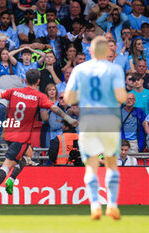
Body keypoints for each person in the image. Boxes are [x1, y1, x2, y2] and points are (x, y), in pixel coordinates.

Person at [0, 69, 77, 207]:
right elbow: (55, 109)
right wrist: (68, 119)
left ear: (25, 80)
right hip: (21, 138)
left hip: (10, 134)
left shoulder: (13, 92)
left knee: (29, 155)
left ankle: (11, 179)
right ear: (38, 81)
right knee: (7, 165)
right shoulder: (39, 96)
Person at [64, 36, 127, 220]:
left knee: (91, 166)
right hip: (109, 120)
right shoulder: (114, 69)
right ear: (108, 51)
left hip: (89, 120)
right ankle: (113, 205)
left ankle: (94, 206)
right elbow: (122, 97)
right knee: (111, 164)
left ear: (90, 51)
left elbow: (68, 98)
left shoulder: (80, 69)